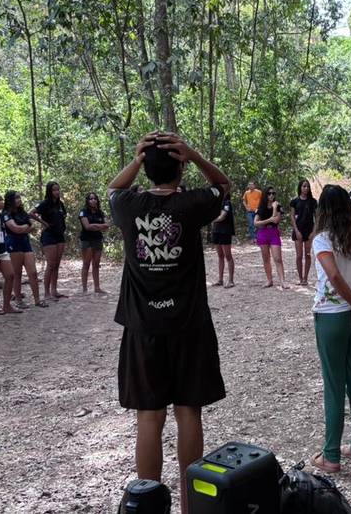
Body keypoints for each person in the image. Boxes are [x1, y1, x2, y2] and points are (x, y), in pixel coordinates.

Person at [108, 132, 229, 514]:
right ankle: (191, 506)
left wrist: (137, 160)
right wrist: (194, 154)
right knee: (188, 411)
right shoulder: (192, 204)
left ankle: (147, 506)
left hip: (143, 328)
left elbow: (113, 188)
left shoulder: (128, 205)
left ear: (146, 169)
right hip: (189, 325)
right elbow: (222, 184)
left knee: (149, 415)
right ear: (181, 168)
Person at [308, 184, 351, 474]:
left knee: (334, 384)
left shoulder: (322, 239)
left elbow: (334, 276)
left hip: (331, 316)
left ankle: (331, 455)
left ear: (322, 210)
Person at [3, 191, 47, 308]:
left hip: (25, 243)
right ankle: (18, 300)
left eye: (19, 197)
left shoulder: (22, 212)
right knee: (17, 273)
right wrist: (25, 227)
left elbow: (32, 226)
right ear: (10, 200)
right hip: (13, 244)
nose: (19, 199)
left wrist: (23, 228)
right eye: (16, 198)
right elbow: (15, 228)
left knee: (33, 272)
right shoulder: (6, 214)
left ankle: (37, 300)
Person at [31, 181, 69, 301]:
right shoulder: (45, 203)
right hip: (49, 236)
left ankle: (54, 290)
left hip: (60, 236)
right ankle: (46, 293)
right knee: (51, 264)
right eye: (54, 190)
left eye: (58, 189)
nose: (57, 192)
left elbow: (63, 216)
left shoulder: (60, 204)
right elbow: (31, 213)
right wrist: (44, 223)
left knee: (56, 265)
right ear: (49, 191)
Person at [254, 187, 288, 289]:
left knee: (277, 258)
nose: (271, 195)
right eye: (269, 193)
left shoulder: (277, 206)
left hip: (273, 232)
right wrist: (268, 220)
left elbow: (276, 220)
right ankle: (269, 280)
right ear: (266, 195)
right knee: (266, 258)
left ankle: (282, 281)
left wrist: (274, 208)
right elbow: (255, 222)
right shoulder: (261, 206)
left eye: (273, 193)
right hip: (263, 233)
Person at [78, 192, 110, 294]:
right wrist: (100, 226)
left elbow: (107, 225)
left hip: (97, 240)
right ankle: (84, 289)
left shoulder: (100, 212)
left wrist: (94, 226)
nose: (93, 200)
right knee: (86, 264)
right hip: (86, 240)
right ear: (87, 201)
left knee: (96, 264)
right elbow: (87, 227)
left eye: (95, 198)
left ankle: (97, 287)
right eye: (91, 199)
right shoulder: (83, 212)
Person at [290, 179, 318, 285]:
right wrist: (296, 230)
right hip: (298, 230)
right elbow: (292, 216)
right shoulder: (294, 201)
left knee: (307, 254)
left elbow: (317, 217)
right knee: (299, 255)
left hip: (309, 230)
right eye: (304, 186)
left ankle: (306, 278)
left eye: (307, 186)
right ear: (300, 188)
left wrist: (313, 232)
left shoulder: (313, 202)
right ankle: (300, 278)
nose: (306, 188)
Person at [211, 193, 235, 288]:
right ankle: (220, 280)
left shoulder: (227, 203)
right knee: (220, 256)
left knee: (228, 256)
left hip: (225, 231)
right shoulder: (216, 203)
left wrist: (211, 219)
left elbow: (222, 216)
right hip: (216, 231)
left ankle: (231, 281)